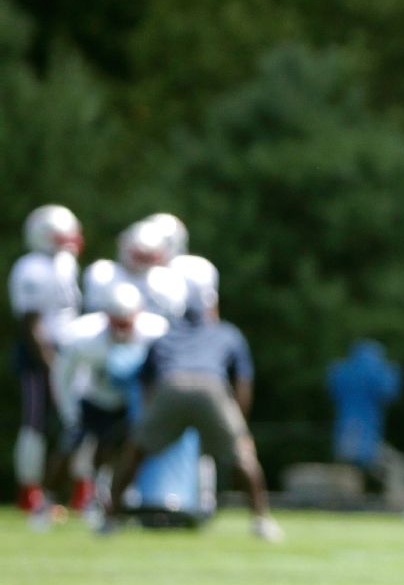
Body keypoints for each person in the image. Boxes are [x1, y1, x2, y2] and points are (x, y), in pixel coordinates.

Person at [101, 264, 283, 541]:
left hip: (170, 385)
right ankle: (261, 521)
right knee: (243, 457)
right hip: (211, 387)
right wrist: (239, 428)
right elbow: (242, 385)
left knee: (134, 453)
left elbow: (147, 384)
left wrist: (151, 422)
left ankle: (109, 520)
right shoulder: (228, 333)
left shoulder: (164, 336)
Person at [49, 282, 168, 520]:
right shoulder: (83, 336)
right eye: (116, 322)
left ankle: (116, 501)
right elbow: (62, 376)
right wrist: (70, 412)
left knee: (126, 451)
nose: (122, 330)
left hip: (130, 402)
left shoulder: (156, 332)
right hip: (92, 398)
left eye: (127, 322)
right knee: (70, 446)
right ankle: (47, 499)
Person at [8, 204, 83, 511]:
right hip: (42, 355)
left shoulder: (66, 264)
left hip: (70, 351)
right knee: (35, 423)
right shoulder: (31, 268)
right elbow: (32, 324)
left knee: (81, 422)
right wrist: (52, 364)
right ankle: (29, 491)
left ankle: (81, 489)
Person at [328, 338, 404, 508]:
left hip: (343, 437)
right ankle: (394, 506)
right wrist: (395, 371)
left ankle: (346, 507)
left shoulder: (343, 370)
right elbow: (390, 391)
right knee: (399, 467)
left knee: (349, 472)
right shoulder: (374, 373)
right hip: (369, 440)